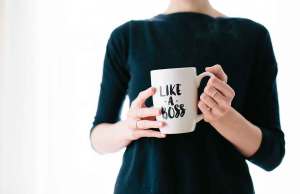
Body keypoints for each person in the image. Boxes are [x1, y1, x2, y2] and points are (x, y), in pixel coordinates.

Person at [89, 0, 285, 193]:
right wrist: (129, 128)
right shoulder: (127, 37)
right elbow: (98, 137)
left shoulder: (252, 37)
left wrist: (224, 117)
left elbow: (272, 154)